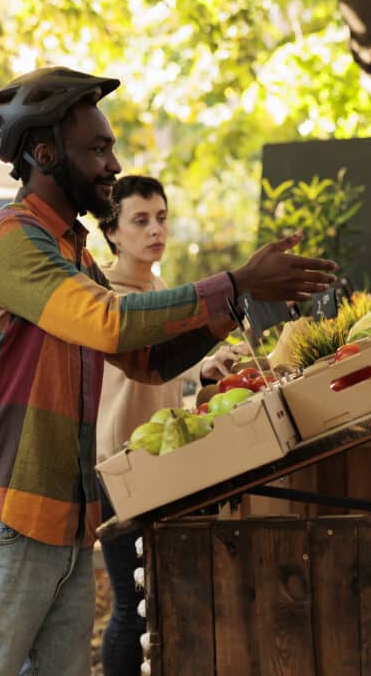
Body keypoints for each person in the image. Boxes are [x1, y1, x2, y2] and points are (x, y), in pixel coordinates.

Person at [0, 66, 336, 675]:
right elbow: (108, 322)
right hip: (0, 520)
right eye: (98, 149)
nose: (113, 164)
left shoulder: (74, 253)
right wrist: (236, 281)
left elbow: (146, 361)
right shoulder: (11, 236)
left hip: (66, 532)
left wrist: (239, 300)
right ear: (44, 153)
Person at [93, 174, 247, 675]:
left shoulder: (158, 286)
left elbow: (158, 364)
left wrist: (203, 366)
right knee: (131, 608)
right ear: (112, 231)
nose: (155, 229)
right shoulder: (103, 293)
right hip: (119, 467)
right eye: (140, 220)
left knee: (161, 602)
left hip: (164, 464)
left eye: (161, 217)